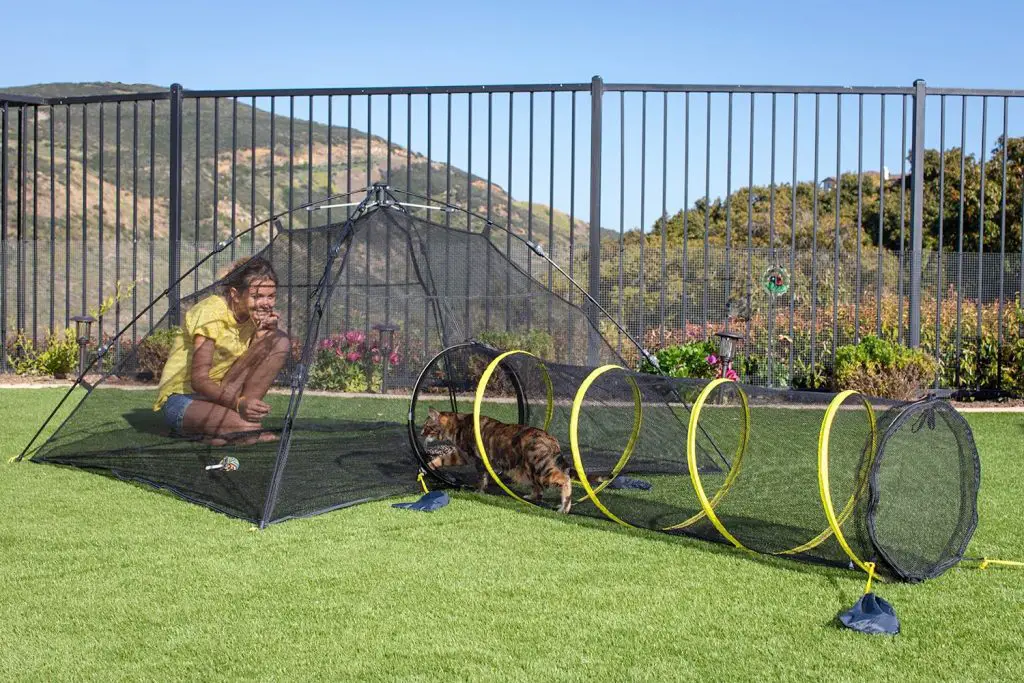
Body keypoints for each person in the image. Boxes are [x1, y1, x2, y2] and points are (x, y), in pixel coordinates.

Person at [153, 256, 290, 445]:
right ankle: (224, 428)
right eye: (257, 296)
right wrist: (238, 403)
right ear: (235, 294)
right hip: (184, 398)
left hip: (222, 392)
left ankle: (237, 424)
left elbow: (246, 366)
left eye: (271, 296)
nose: (265, 303)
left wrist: (263, 338)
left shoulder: (254, 317)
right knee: (247, 431)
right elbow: (199, 381)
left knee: (279, 341)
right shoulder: (211, 312)